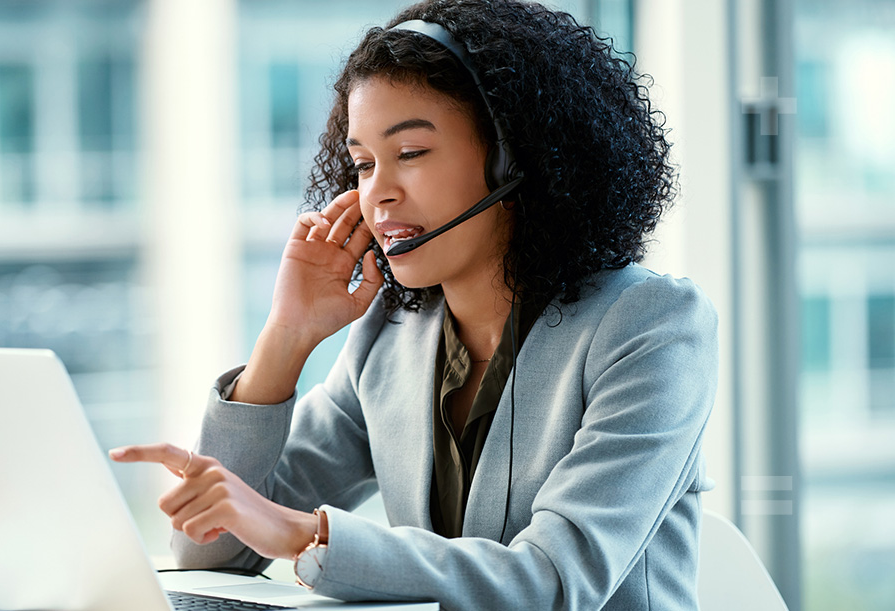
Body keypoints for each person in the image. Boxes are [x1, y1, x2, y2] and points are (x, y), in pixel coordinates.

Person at [111, 0, 718, 608]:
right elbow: (211, 547)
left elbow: (555, 581)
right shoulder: (390, 337)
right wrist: (288, 336)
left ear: (514, 157)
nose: (377, 193)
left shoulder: (652, 328)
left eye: (410, 154)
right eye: (363, 165)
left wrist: (305, 534)